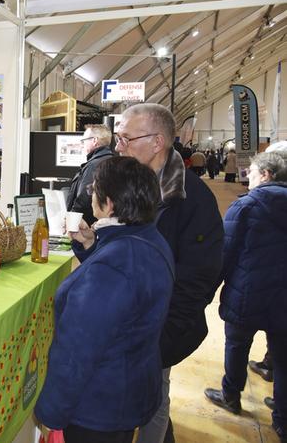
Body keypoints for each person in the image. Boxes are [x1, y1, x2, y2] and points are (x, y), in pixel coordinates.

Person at [72, 103, 224, 443]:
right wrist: (90, 244)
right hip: (123, 324)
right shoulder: (131, 188)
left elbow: (201, 276)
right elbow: (122, 256)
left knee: (153, 401)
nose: (118, 147)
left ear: (157, 143)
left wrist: (163, 338)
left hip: (160, 326)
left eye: (126, 139)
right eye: (118, 138)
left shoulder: (191, 199)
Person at [34, 156, 174, 443]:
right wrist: (90, 245)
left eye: (94, 189)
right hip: (128, 390)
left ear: (109, 203)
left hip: (98, 408)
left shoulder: (113, 265)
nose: (90, 195)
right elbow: (125, 296)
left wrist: (52, 413)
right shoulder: (149, 240)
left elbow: (77, 352)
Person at [204, 152, 287, 442]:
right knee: (283, 357)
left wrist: (209, 291)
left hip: (247, 290)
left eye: (251, 171)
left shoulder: (246, 206)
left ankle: (231, 395)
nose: (246, 176)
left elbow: (225, 253)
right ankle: (282, 417)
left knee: (237, 345)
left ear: (266, 175)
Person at [65, 124, 114, 226]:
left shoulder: (94, 165)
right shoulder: (113, 162)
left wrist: (71, 223)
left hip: (84, 226)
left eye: (84, 140)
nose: (82, 144)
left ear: (95, 140)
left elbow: (83, 198)